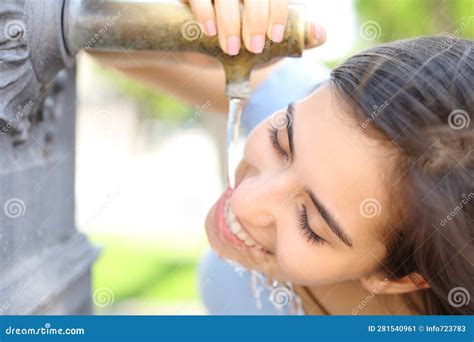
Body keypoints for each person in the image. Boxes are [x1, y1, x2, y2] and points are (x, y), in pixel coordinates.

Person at [90, 2, 473, 315]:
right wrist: (183, 30)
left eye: (310, 223)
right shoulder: (332, 123)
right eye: (280, 141)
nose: (243, 201)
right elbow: (94, 35)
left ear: (400, 278)